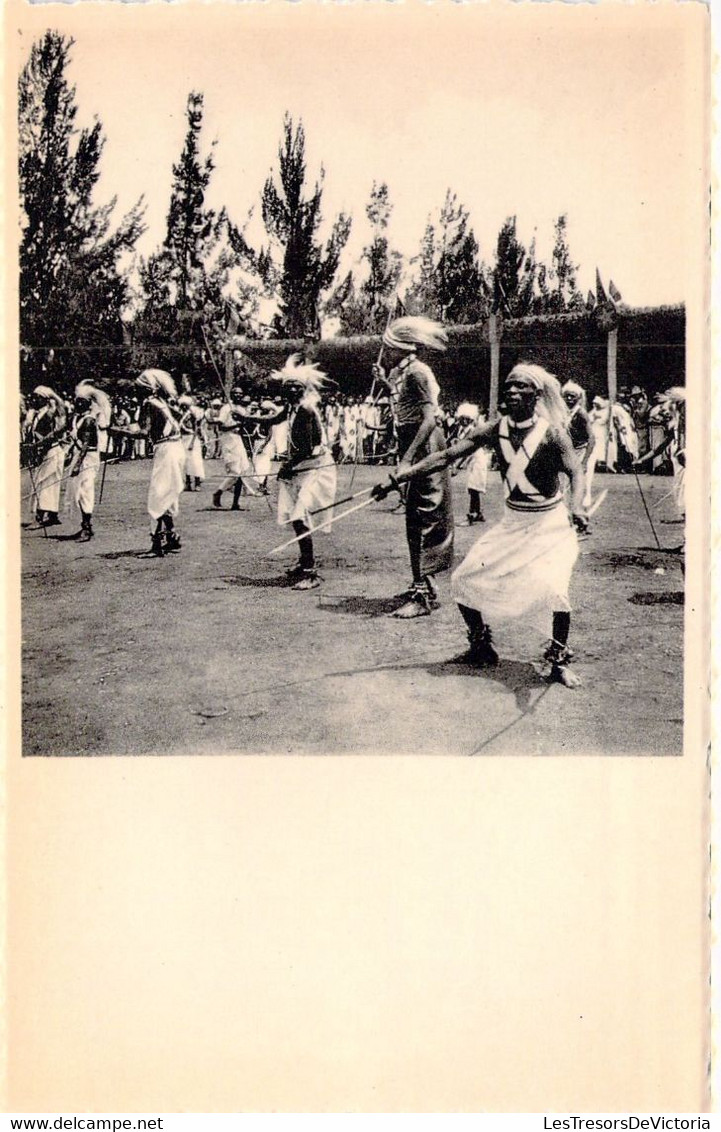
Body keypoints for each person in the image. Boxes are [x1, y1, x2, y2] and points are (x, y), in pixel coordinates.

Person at [372, 363, 588, 687]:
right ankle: (481, 646)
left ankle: (557, 661)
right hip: (513, 522)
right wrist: (401, 476)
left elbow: (576, 472)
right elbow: (445, 456)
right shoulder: (494, 429)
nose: (512, 392)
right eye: (509, 386)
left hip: (549, 524)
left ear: (537, 394)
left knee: (556, 590)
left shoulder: (552, 433)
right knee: (463, 580)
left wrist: (576, 507)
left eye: (521, 387)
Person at [370, 316, 454, 618]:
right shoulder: (405, 374)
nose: (386, 354)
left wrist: (407, 461)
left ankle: (422, 595)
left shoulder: (417, 372)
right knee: (415, 517)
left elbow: (429, 418)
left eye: (389, 349)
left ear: (404, 349)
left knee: (424, 517)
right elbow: (404, 409)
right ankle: (422, 585)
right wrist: (383, 382)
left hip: (425, 446)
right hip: (414, 444)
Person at [273, 355, 337, 591]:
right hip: (301, 466)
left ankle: (310, 572)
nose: (290, 389)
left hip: (316, 466)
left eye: (295, 386)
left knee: (300, 515)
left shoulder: (306, 410)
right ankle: (303, 563)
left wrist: (286, 466)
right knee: (293, 515)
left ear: (303, 389)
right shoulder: (292, 408)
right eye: (287, 386)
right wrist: (245, 418)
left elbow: (308, 448)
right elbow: (273, 418)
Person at [111, 369, 185, 556]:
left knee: (158, 495)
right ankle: (171, 536)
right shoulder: (161, 403)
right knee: (166, 494)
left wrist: (119, 431)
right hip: (175, 448)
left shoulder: (149, 404)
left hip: (166, 450)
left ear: (149, 389)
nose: (136, 392)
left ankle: (157, 544)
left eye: (138, 388)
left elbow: (144, 432)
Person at [65, 383, 111, 540]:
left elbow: (85, 445)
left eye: (80, 402)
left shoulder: (89, 421)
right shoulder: (78, 419)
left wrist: (77, 464)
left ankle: (86, 527)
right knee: (76, 490)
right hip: (80, 455)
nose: (77, 404)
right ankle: (85, 526)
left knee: (85, 490)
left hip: (88, 458)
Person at [213, 386, 261, 509]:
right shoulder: (226, 408)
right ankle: (218, 492)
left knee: (243, 471)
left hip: (239, 439)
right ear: (231, 395)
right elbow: (221, 427)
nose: (238, 396)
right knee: (235, 472)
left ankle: (235, 502)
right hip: (228, 439)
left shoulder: (241, 409)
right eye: (236, 394)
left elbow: (245, 426)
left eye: (240, 394)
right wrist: (235, 424)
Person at [28, 385, 68, 526]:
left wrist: (35, 446)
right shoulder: (37, 414)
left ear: (44, 399)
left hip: (51, 451)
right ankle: (52, 515)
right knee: (46, 483)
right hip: (45, 452)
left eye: (37, 397)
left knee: (44, 484)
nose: (34, 400)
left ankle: (41, 517)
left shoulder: (49, 414)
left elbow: (52, 435)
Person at [561, 380, 596, 510]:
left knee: (581, 484)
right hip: (566, 451)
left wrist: (585, 461)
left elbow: (592, 438)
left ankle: (581, 515)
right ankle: (563, 517)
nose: (569, 399)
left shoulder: (581, 414)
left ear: (579, 398)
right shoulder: (562, 412)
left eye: (572, 396)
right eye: (567, 396)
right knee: (562, 485)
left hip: (581, 451)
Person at [454, 402, 490, 524]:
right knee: (472, 488)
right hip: (472, 460)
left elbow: (467, 451)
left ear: (470, 419)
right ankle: (478, 513)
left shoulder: (471, 431)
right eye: (461, 418)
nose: (463, 421)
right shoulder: (462, 431)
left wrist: (457, 466)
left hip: (477, 459)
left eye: (466, 419)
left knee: (473, 487)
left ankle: (472, 514)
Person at [178, 394, 206, 492]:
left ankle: (197, 483)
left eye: (186, 405)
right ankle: (188, 483)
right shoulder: (180, 415)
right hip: (183, 439)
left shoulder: (193, 415)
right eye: (182, 405)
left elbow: (196, 429)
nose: (184, 407)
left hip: (192, 439)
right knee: (185, 462)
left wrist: (192, 443)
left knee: (195, 462)